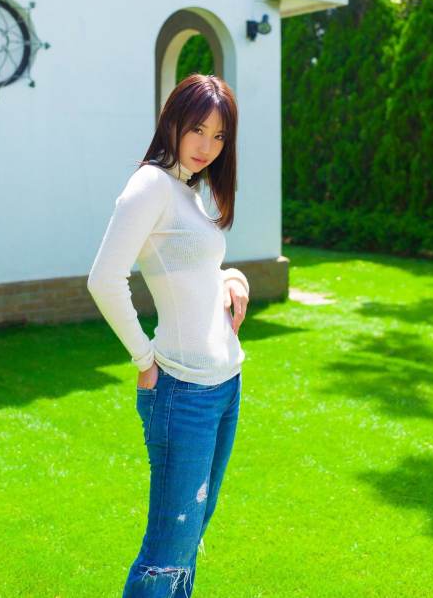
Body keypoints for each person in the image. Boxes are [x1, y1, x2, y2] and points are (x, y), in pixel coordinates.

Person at [87, 73, 250, 598]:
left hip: (224, 385)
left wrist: (232, 278)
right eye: (198, 129)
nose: (207, 146)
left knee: (187, 542)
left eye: (219, 136)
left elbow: (193, 269)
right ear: (173, 122)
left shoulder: (188, 190)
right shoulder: (151, 185)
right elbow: (104, 279)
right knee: (166, 555)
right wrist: (144, 359)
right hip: (182, 391)